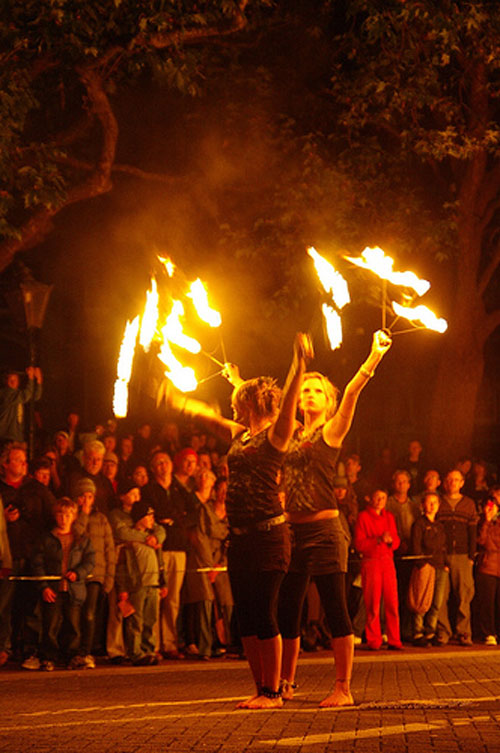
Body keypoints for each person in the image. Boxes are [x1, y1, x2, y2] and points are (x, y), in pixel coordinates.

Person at [163, 332, 311, 708]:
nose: (232, 409)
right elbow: (210, 418)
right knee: (245, 616)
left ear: (251, 405)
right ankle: (261, 686)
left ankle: (274, 692)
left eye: (237, 403)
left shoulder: (276, 437)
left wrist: (297, 364)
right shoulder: (241, 436)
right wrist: (182, 402)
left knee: (264, 613)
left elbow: (289, 400)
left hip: (270, 536)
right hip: (240, 536)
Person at [278, 329, 392, 708]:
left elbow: (354, 392)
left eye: (316, 391)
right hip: (292, 532)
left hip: (326, 532)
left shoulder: (331, 430)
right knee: (287, 610)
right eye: (304, 390)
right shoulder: (289, 434)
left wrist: (374, 357)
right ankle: (285, 683)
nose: (308, 395)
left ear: (327, 401)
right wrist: (298, 367)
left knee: (335, 609)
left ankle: (343, 688)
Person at [32, 497, 95, 670]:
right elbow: (37, 563)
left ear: (74, 516)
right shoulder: (47, 538)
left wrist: (78, 573)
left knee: (73, 625)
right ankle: (48, 657)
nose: (64, 518)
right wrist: (43, 587)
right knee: (50, 624)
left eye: (68, 514)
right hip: (53, 588)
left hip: (73, 589)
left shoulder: (81, 539)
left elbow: (90, 560)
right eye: (60, 513)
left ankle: (72, 656)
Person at [115, 499, 166, 665]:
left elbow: (160, 562)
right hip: (137, 585)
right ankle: (135, 652)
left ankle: (148, 649)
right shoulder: (131, 541)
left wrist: (162, 582)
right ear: (140, 518)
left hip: (152, 583)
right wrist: (123, 588)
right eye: (148, 516)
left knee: (150, 620)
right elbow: (122, 566)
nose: (152, 520)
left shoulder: (153, 540)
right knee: (135, 620)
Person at [73, 478, 115, 667]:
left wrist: (109, 577)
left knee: (90, 614)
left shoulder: (102, 519)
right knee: (75, 614)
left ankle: (86, 651)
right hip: (76, 573)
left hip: (96, 574)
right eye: (83, 496)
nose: (87, 500)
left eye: (90, 496)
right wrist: (83, 514)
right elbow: (75, 534)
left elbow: (109, 549)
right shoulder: (73, 516)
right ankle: (73, 650)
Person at [354, 488, 403, 652]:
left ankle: (394, 639)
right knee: (372, 603)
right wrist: (377, 540)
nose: (381, 501)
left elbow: (396, 541)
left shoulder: (389, 517)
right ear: (370, 499)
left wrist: (390, 542)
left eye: (383, 497)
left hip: (387, 562)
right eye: (377, 497)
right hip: (372, 562)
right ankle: (374, 640)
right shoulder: (363, 517)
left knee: (392, 602)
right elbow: (359, 544)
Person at [436, 469, 478, 646]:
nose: (453, 482)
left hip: (462, 555)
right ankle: (443, 631)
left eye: (456, 479)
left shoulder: (468, 504)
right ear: (446, 482)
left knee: (464, 595)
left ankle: (463, 632)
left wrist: (471, 555)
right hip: (442, 555)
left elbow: (472, 531)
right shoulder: (439, 502)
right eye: (450, 479)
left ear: (462, 483)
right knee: (440, 596)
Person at [409, 492, 448, 646]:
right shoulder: (419, 524)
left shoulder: (440, 525)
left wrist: (445, 564)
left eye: (435, 503)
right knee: (421, 599)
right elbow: (416, 545)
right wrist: (421, 563)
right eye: (429, 502)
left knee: (436, 601)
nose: (432, 506)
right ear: (423, 505)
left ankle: (430, 630)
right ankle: (418, 632)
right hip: (425, 565)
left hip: (439, 566)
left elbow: (443, 546)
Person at [475, 493, 500, 645]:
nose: (490, 509)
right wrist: (486, 522)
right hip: (487, 566)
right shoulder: (480, 522)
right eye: (488, 506)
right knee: (487, 602)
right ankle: (488, 632)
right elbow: (481, 541)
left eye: (493, 506)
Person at [0, 367, 42, 443]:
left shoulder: (18, 394)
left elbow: (35, 397)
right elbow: (26, 395)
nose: (13, 382)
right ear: (5, 381)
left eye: (15, 380)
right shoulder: (5, 393)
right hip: (5, 436)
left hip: (16, 437)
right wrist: (31, 378)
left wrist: (38, 380)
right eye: (10, 380)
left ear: (18, 382)